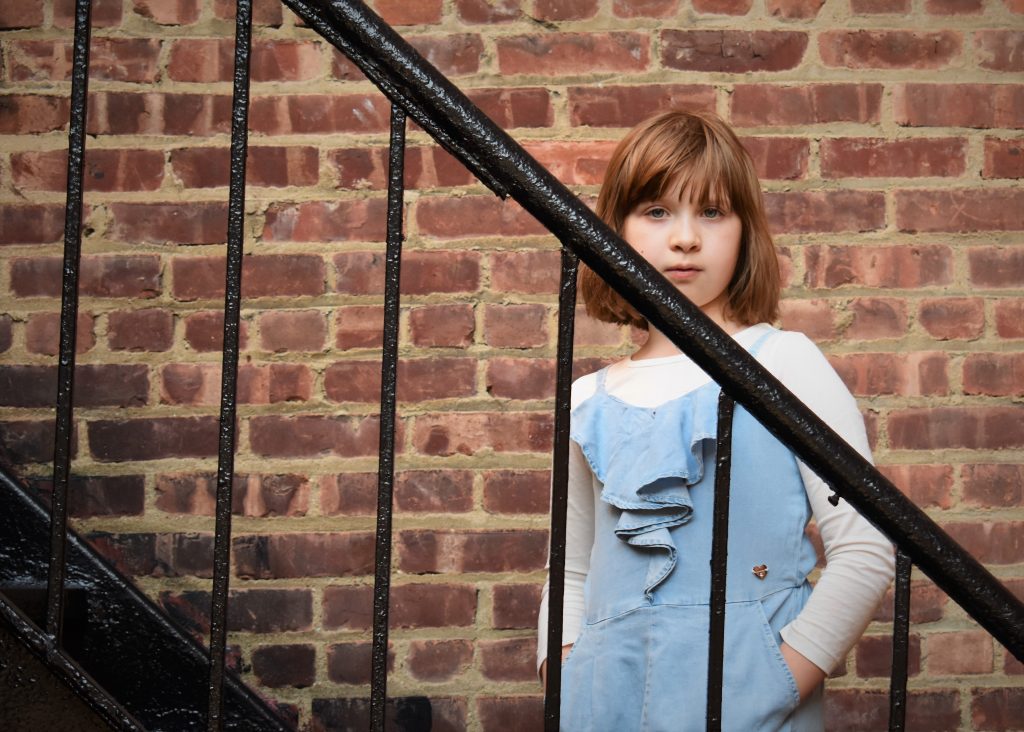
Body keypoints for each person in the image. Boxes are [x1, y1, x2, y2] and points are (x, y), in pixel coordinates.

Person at [537, 111, 895, 731]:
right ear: (616, 229)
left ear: (744, 231)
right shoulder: (588, 398)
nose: (685, 239)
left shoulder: (782, 362)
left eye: (711, 212)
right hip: (603, 707)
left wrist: (775, 682)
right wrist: (565, 683)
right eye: (656, 211)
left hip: (749, 704)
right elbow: (571, 568)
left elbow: (865, 548)